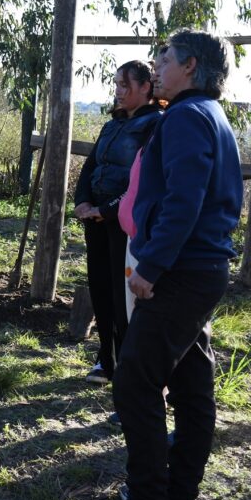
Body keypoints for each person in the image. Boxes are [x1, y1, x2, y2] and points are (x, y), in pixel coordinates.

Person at [114, 30, 243, 500]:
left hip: (181, 272)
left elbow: (183, 201)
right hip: (200, 270)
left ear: (190, 66)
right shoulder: (209, 115)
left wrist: (151, 266)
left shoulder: (188, 116)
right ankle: (177, 495)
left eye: (164, 57)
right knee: (191, 388)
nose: (157, 66)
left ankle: (149, 499)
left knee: (134, 383)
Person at [73, 60, 162, 386]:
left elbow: (143, 182)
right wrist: (83, 200)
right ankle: (105, 359)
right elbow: (91, 166)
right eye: (116, 84)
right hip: (95, 220)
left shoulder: (156, 125)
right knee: (100, 288)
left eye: (125, 85)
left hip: (125, 224)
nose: (118, 91)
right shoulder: (112, 125)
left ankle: (128, 363)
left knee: (122, 293)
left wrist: (107, 210)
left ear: (145, 88)